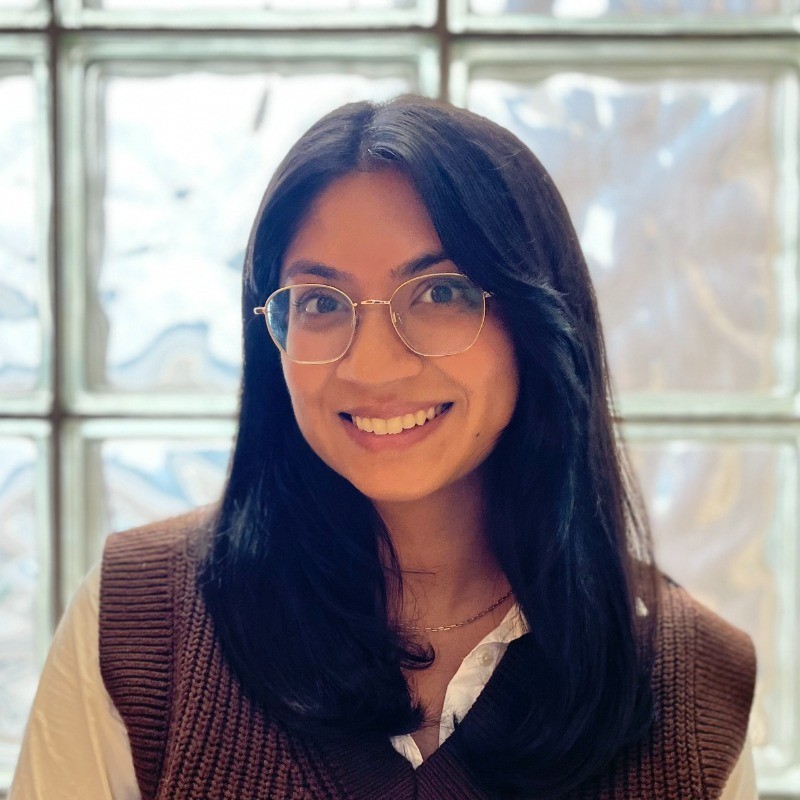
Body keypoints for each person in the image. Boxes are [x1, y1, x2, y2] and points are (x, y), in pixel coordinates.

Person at [11, 95, 757, 799]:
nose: (371, 366)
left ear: (537, 323)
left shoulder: (694, 682)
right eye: (321, 303)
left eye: (439, 293)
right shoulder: (141, 620)